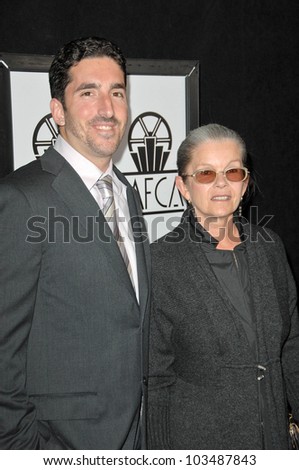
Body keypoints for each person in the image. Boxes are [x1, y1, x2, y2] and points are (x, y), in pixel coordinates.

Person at [0, 37, 151, 450]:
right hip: (61, 444)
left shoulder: (126, 192)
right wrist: (26, 450)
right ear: (57, 110)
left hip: (139, 437)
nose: (108, 108)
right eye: (89, 92)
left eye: (117, 92)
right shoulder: (21, 197)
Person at [147, 123, 299, 449]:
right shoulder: (160, 262)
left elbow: (292, 346)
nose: (221, 183)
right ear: (183, 187)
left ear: (245, 184)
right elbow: (154, 378)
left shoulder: (270, 246)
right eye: (205, 174)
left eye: (233, 172)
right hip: (200, 442)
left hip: (273, 437)